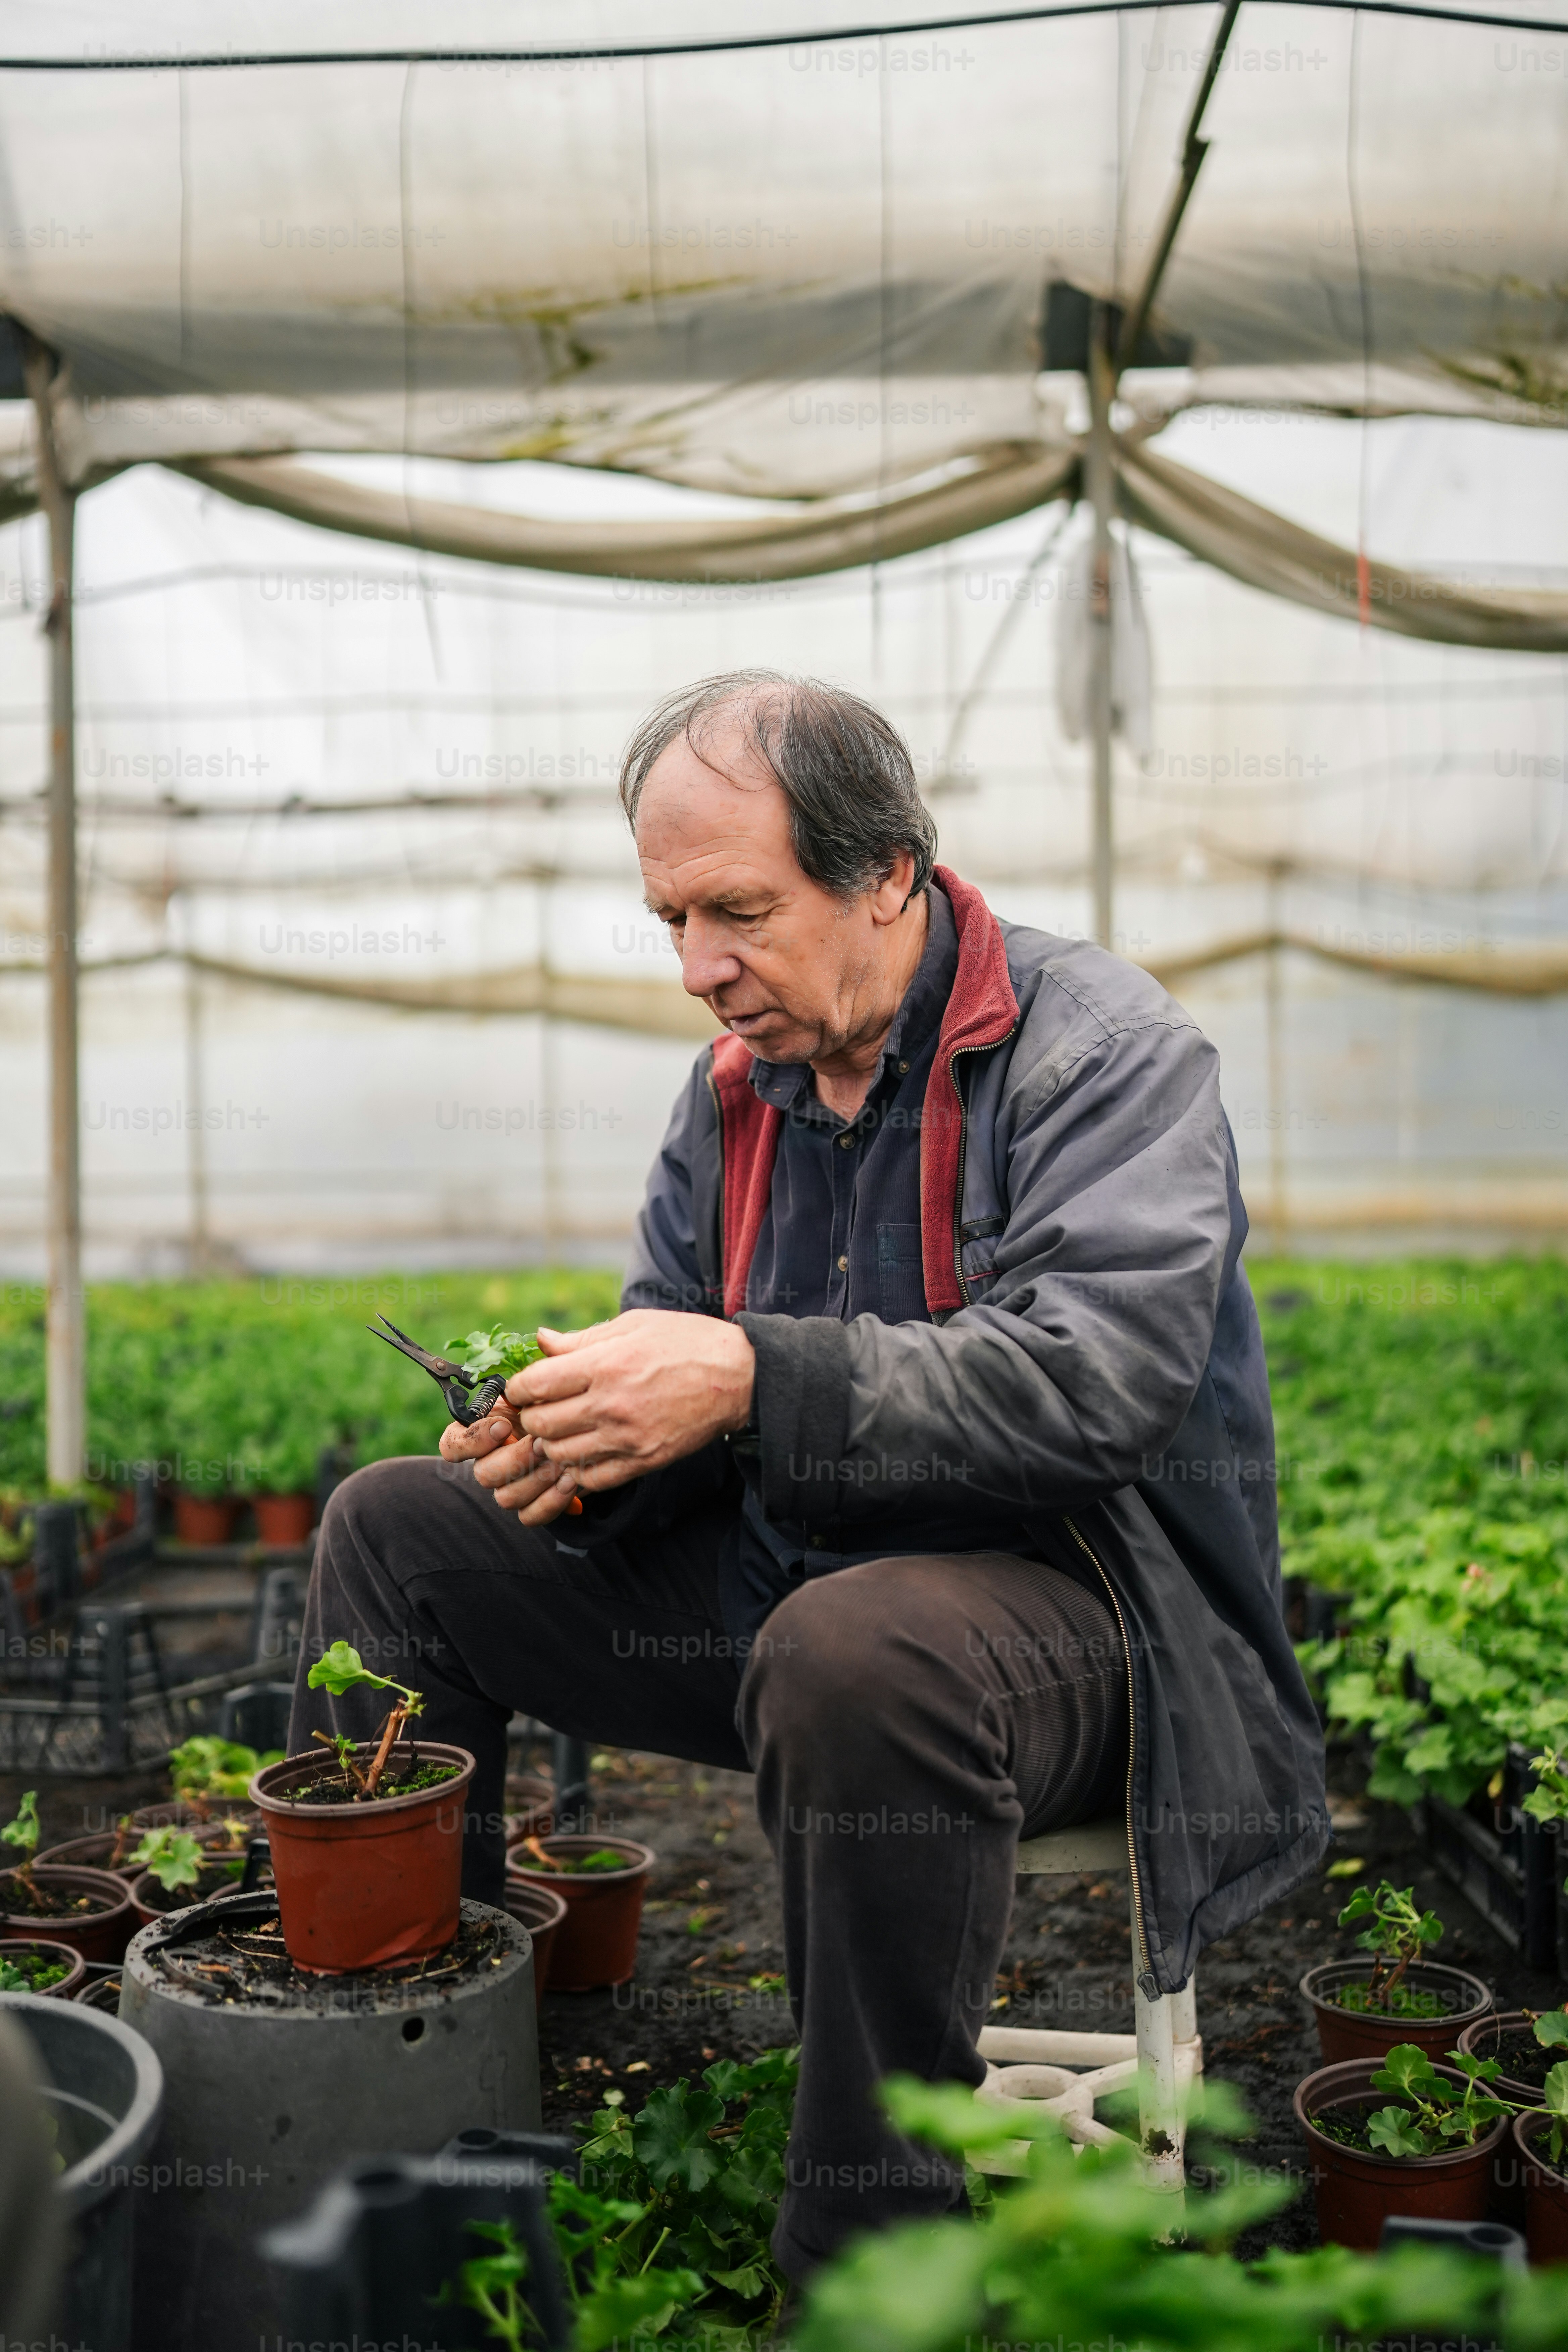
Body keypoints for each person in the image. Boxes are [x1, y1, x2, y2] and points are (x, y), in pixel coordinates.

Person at [292, 669, 1328, 2281]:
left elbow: (1097, 1387)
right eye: (671, 920)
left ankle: (864, 2260)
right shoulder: (731, 1100)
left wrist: (750, 1373)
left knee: (856, 1650)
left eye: (737, 910)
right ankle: (408, 2118)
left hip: (1075, 1632)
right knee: (397, 1532)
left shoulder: (1103, 1056)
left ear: (888, 874)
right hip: (777, 1602)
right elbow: (673, 1373)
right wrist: (578, 1444)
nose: (702, 968)